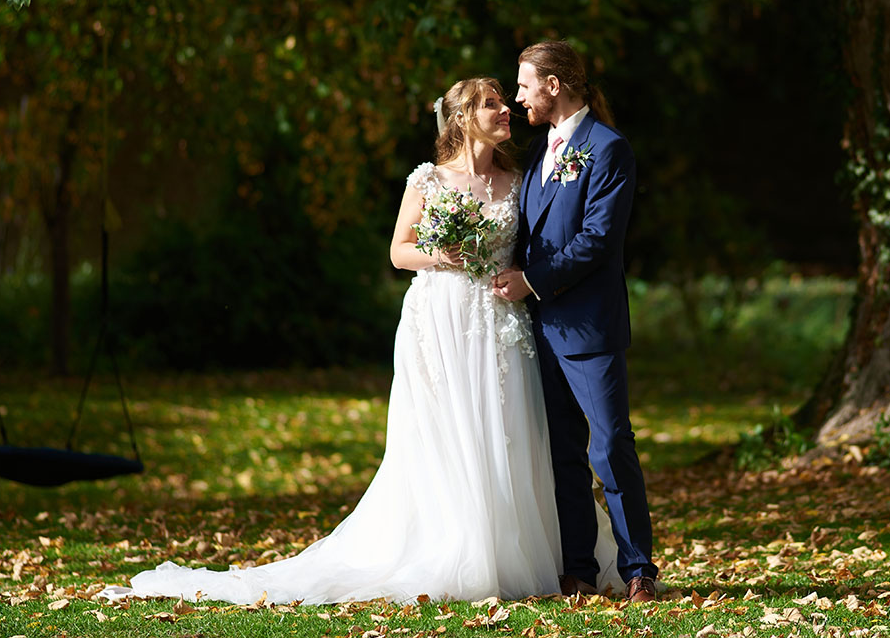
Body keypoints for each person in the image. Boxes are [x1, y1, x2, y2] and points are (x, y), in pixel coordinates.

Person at [99, 77, 616, 605]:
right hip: (440, 320)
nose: (505, 110)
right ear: (462, 118)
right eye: (491, 104)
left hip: (503, 325)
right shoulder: (428, 180)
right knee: (448, 435)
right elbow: (399, 251)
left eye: (506, 101)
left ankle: (531, 551)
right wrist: (447, 255)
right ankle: (460, 550)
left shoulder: (520, 179)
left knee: (511, 430)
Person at [493, 41, 660, 603]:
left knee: (610, 446)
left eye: (523, 86)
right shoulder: (542, 152)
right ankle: (579, 570)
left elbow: (597, 241)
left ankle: (640, 569)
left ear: (554, 85)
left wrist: (531, 281)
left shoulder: (608, 149)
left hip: (589, 327)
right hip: (539, 329)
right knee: (563, 452)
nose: (518, 99)